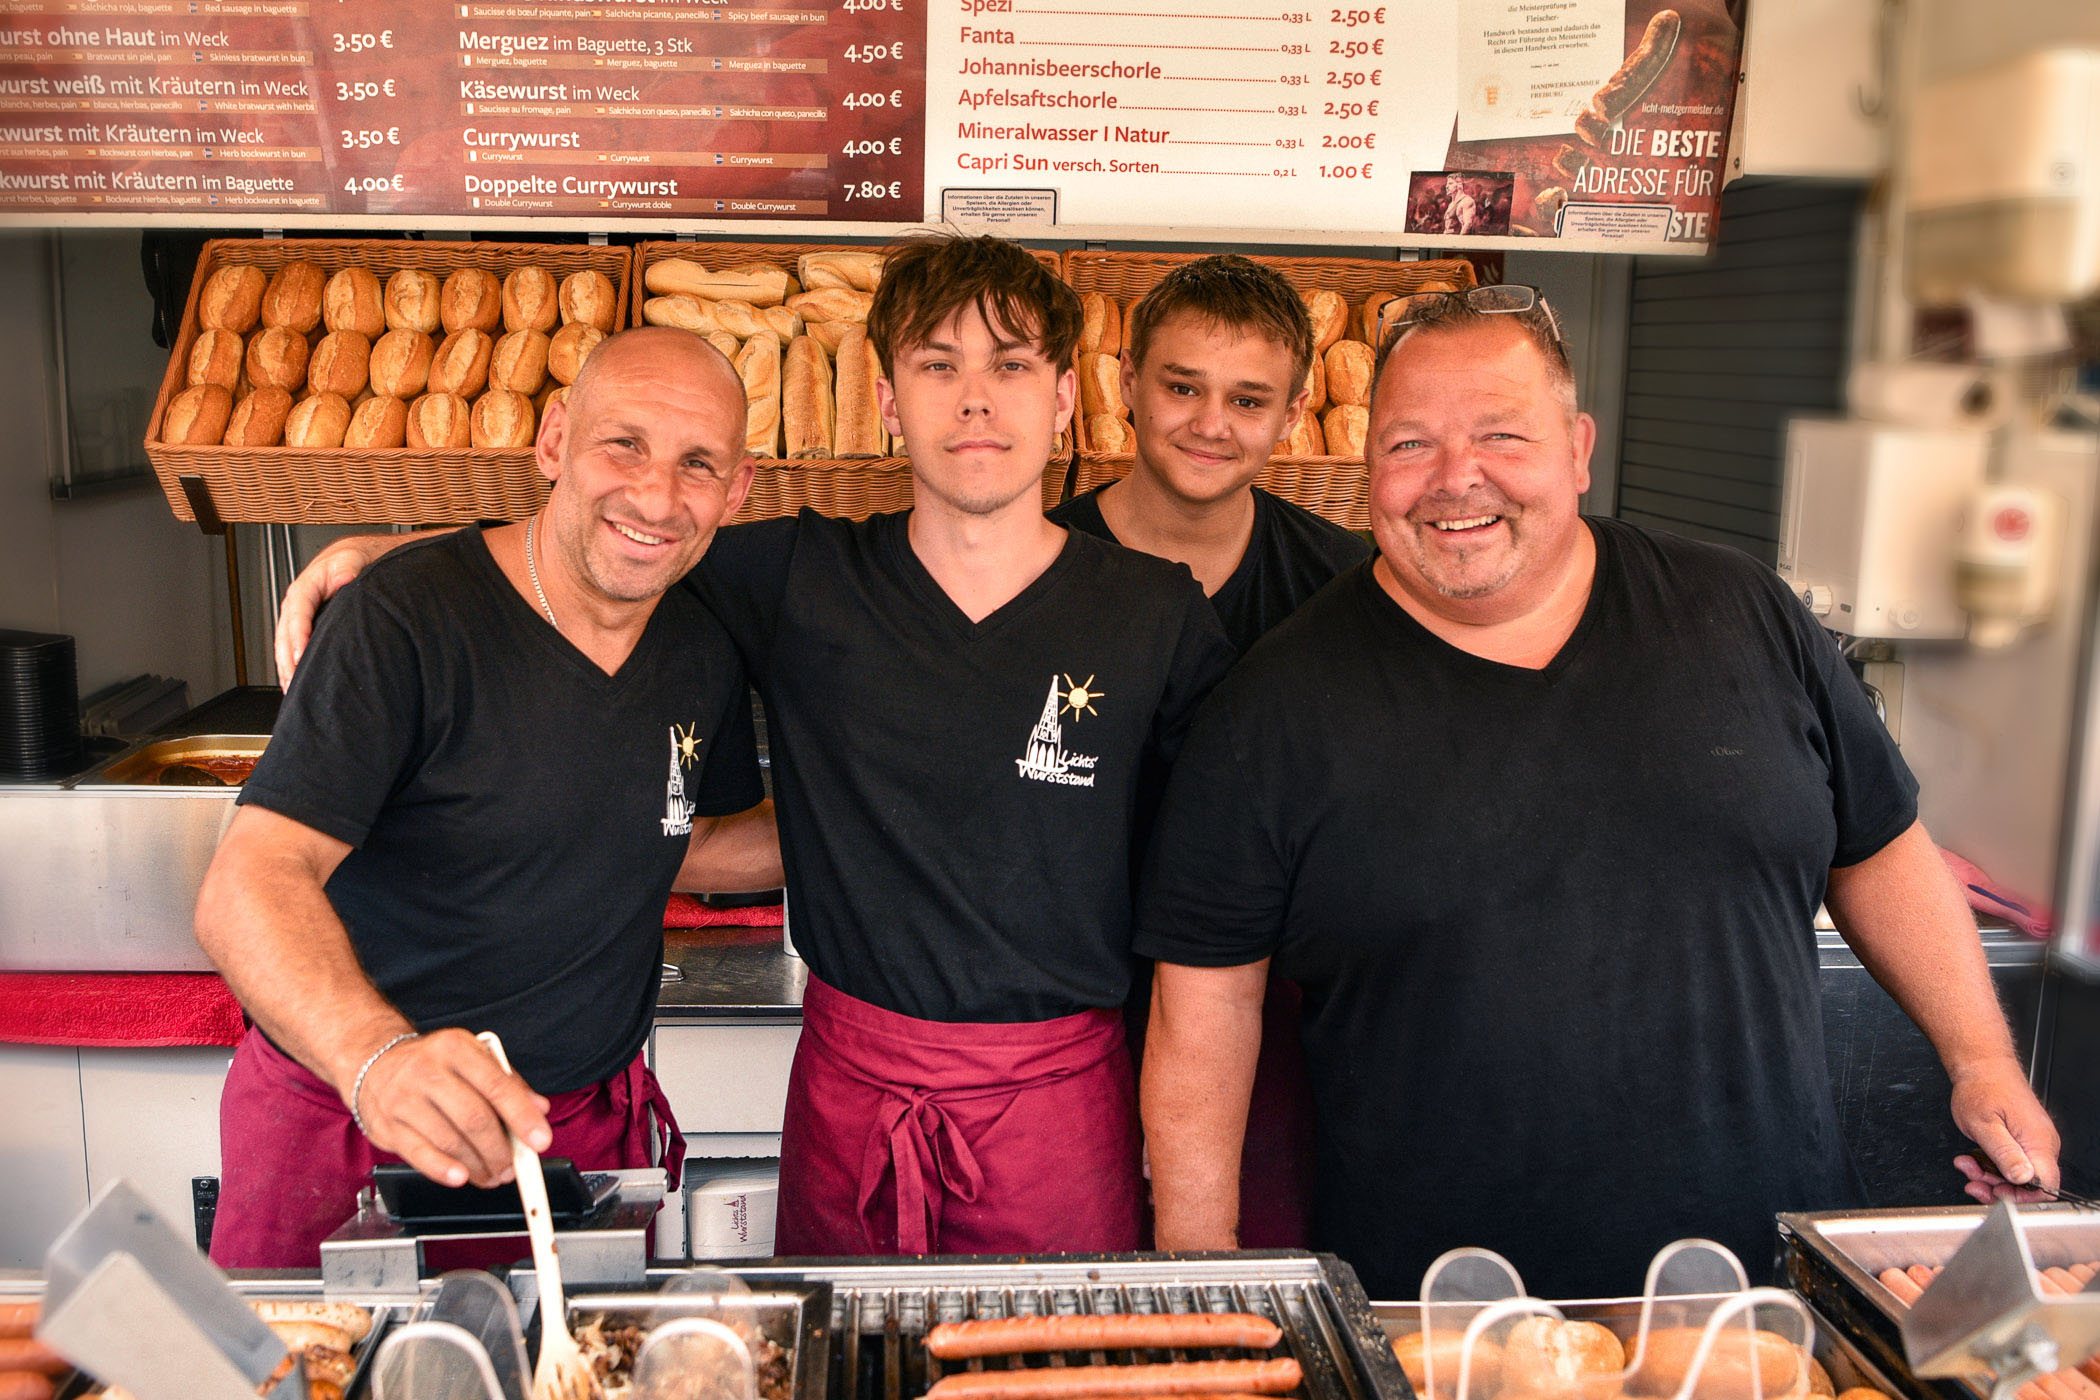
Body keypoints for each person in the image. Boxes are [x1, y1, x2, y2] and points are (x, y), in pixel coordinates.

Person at [273, 234, 1237, 1258]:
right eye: (937, 364)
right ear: (885, 398)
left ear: (1066, 399)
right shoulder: (796, 576)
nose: (975, 401)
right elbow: (616, 537)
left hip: (1058, 1104)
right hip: (851, 1089)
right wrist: (401, 557)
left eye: (1010, 366)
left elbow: (1209, 934)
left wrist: (1198, 1227)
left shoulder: (1157, 618)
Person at [1132, 286, 2063, 1299]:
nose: (1455, 479)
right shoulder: (1271, 706)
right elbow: (1206, 1002)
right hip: (1434, 1305)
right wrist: (1201, 1275)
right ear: (1368, 466)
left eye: (1501, 433)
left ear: (1578, 448)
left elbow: (1878, 845)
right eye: (1408, 445)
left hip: (1762, 1289)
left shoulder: (1740, 613)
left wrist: (1979, 1057)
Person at [197, 328, 782, 1266]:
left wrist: (877, 815)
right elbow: (250, 879)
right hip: (356, 1123)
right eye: (622, 443)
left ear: (737, 490)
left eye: (697, 463)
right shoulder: (401, 618)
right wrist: (377, 1061)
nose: (656, 494)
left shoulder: (700, 650)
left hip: (573, 1138)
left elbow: (683, 838)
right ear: (553, 443)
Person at [1048, 255, 1370, 1246]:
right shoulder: (1035, 564)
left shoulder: (1346, 588)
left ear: (1295, 408)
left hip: (1274, 1026)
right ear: (1128, 381)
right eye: (1182, 386)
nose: (1209, 422)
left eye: (1247, 398)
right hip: (1074, 1010)